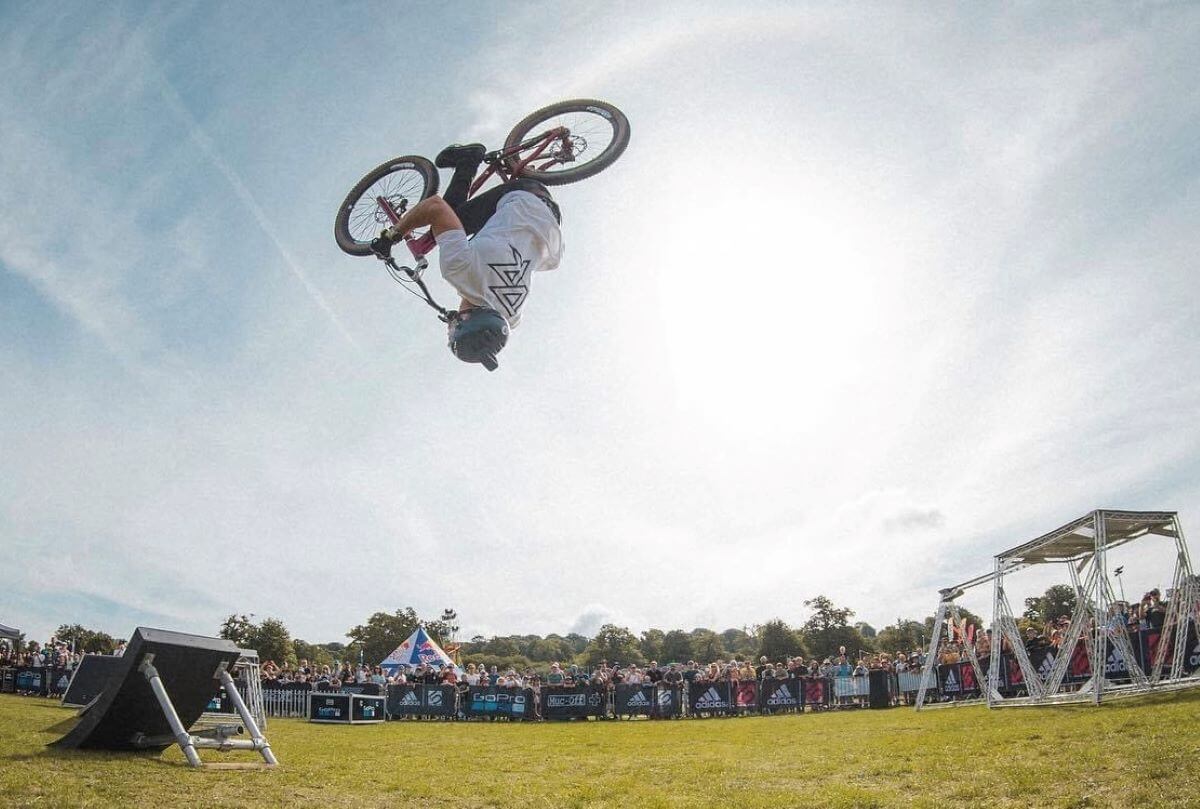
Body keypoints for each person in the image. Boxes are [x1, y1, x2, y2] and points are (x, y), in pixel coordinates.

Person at [371, 143, 564, 372]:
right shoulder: (459, 268)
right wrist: (391, 236)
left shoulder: (510, 317)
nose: (449, 327)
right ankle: (468, 160)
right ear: (463, 321)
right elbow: (435, 206)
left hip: (549, 223)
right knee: (445, 216)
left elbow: (488, 304)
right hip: (520, 196)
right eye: (452, 330)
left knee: (492, 236)